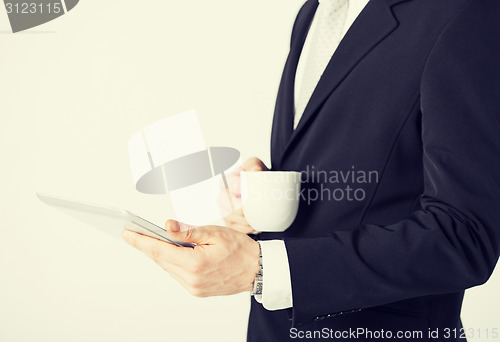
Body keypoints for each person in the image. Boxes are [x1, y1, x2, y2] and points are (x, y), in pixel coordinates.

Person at [121, 0, 500, 340]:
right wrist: (264, 193)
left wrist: (261, 268)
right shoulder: (311, 13)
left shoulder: (465, 12)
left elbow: (466, 236)